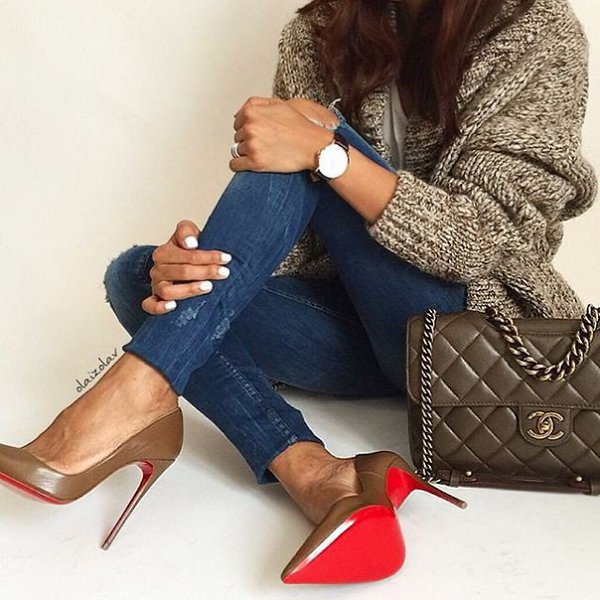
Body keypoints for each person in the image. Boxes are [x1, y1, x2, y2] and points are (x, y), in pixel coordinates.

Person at [0, 0, 596, 585]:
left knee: (303, 132)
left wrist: (328, 155)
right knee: (139, 276)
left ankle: (134, 395)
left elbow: (484, 241)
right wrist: (208, 260)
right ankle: (313, 471)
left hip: (469, 339)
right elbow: (299, 232)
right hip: (358, 338)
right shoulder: (322, 29)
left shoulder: (536, 29)